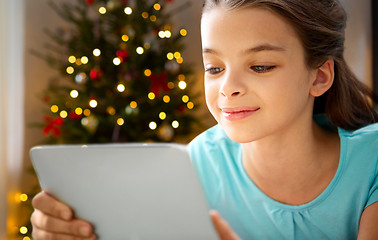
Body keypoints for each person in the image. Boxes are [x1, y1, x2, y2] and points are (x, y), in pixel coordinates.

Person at [31, 0, 378, 239]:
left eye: (260, 66)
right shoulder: (192, 167)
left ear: (319, 77)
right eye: (215, 68)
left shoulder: (372, 162)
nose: (228, 88)